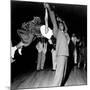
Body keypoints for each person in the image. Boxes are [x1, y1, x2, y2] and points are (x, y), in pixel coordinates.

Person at [46, 3, 69, 86]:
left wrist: (62, 21)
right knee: (59, 74)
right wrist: (49, 8)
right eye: (60, 25)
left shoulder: (64, 32)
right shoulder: (57, 32)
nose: (61, 25)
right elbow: (53, 20)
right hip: (60, 54)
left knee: (63, 74)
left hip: (66, 54)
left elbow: (66, 28)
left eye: (62, 25)